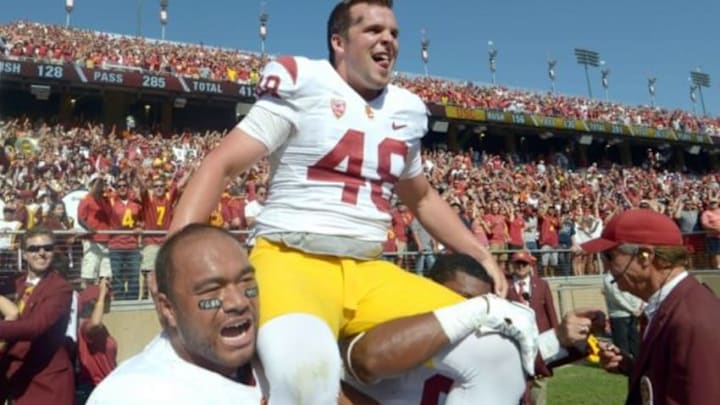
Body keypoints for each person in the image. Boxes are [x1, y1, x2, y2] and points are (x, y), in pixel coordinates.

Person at [169, 1, 537, 403]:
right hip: (291, 259)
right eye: (374, 30)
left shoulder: (407, 109)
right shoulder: (303, 81)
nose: (388, 40)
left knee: (497, 350)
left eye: (394, 33)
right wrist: (172, 259)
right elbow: (221, 164)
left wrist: (478, 252)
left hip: (367, 269)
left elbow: (423, 197)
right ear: (339, 41)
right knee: (306, 373)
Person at [343, 253, 604, 405]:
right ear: (427, 287)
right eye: (460, 299)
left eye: (477, 301)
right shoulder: (383, 320)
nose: (465, 309)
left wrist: (559, 338)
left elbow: (505, 361)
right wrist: (479, 308)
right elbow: (359, 365)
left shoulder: (478, 336)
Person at [87, 224, 263, 404]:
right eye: (212, 289)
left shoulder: (275, 355)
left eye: (246, 282)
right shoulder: (132, 395)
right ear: (168, 309)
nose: (238, 302)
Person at [585, 209, 720, 405]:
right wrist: (635, 367)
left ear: (645, 255)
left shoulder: (691, 321)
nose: (606, 267)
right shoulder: (669, 304)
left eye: (610, 256)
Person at [0, 227, 75, 405]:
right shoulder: (15, 283)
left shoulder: (60, 287)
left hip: (47, 381)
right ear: (24, 254)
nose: (41, 253)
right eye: (34, 249)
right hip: (16, 377)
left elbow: (36, 326)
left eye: (47, 248)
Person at [507, 251, 559, 405]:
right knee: (517, 379)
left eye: (524, 264)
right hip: (514, 341)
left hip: (539, 341)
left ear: (530, 266)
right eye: (518, 263)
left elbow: (551, 311)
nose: (521, 267)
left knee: (539, 381)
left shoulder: (542, 284)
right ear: (513, 265)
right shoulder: (505, 285)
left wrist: (555, 336)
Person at [75, 278, 118, 403]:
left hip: (104, 386)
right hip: (93, 388)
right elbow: (95, 324)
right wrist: (102, 295)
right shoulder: (86, 326)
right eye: (108, 299)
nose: (111, 301)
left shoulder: (101, 329)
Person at [601, 271, 643, 359]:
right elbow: (617, 298)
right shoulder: (610, 278)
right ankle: (628, 365)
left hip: (626, 315)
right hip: (621, 315)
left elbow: (623, 297)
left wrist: (637, 308)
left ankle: (636, 364)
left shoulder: (618, 276)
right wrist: (634, 309)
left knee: (632, 343)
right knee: (624, 344)